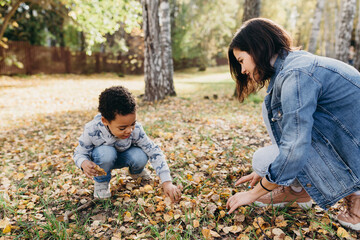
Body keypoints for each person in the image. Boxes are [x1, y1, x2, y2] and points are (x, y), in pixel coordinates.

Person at [225, 18, 360, 231]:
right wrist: (265, 175)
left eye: (241, 60)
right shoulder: (293, 67)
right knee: (264, 152)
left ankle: (357, 199)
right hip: (345, 142)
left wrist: (253, 193)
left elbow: (295, 147)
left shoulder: (296, 75)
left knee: (265, 159)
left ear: (257, 48)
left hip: (354, 150)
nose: (242, 70)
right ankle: (297, 191)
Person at [73, 86, 182, 202]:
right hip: (103, 159)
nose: (130, 130)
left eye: (132, 124)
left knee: (140, 155)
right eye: (122, 128)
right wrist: (83, 163)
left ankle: (136, 172)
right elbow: (79, 153)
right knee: (106, 152)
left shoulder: (136, 130)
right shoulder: (92, 130)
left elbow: (154, 152)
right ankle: (102, 183)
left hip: (126, 156)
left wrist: (167, 182)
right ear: (105, 121)